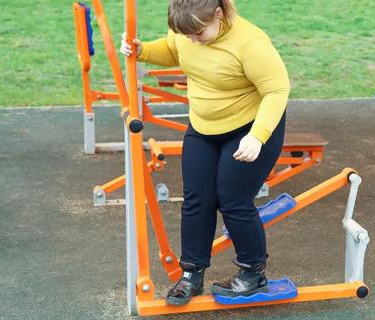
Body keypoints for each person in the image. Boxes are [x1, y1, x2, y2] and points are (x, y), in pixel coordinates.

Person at [120, 0, 290, 306]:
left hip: (250, 127)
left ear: (219, 14)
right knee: (197, 198)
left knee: (233, 199)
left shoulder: (250, 43)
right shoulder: (187, 32)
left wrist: (258, 136)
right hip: (203, 126)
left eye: (198, 32)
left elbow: (276, 91)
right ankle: (191, 274)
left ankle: (253, 273)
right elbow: (173, 50)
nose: (192, 40)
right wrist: (142, 50)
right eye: (186, 35)